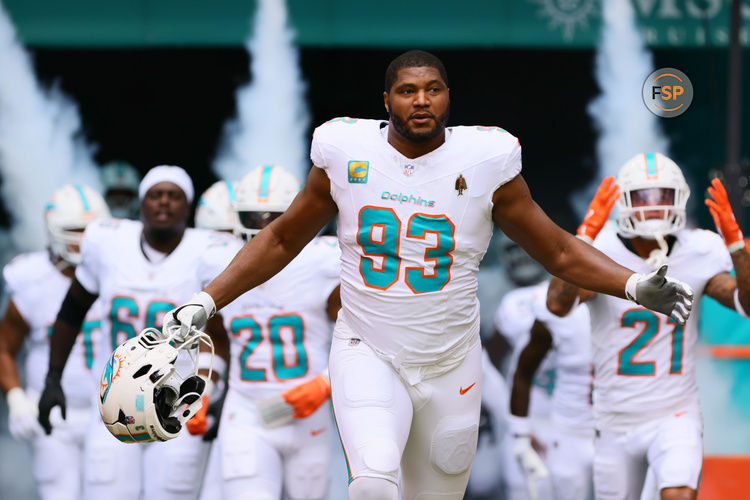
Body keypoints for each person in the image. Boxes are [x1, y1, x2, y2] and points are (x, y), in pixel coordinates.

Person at [163, 51, 693, 499]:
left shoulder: (487, 160)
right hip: (369, 348)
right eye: (408, 91)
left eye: (433, 90)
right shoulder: (345, 151)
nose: (422, 101)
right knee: (373, 482)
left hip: (450, 361)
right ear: (386, 101)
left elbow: (555, 248)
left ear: (448, 97)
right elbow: (280, 238)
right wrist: (206, 301)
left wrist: (630, 283)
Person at [545, 153, 750, 500]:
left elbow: (746, 303)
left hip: (675, 412)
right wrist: (584, 239)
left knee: (678, 493)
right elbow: (558, 304)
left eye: (663, 198)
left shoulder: (699, 249)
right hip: (614, 418)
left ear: (680, 199)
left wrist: (735, 244)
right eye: (643, 198)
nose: (654, 209)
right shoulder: (604, 248)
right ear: (624, 202)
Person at [37, 165, 231, 500]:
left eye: (174, 196)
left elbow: (222, 333)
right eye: (156, 195)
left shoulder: (210, 251)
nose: (164, 202)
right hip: (116, 399)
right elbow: (71, 313)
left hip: (177, 402)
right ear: (142, 204)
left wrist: (212, 388)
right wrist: (52, 377)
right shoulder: (108, 243)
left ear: (188, 207)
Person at [196, 164, 342, 500]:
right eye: (252, 218)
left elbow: (360, 338)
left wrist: (325, 383)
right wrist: (203, 386)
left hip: (307, 414)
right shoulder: (216, 262)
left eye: (273, 216)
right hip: (246, 412)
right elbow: (216, 339)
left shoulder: (323, 264)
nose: (263, 228)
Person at [0, 184, 109, 500]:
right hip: (51, 413)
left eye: (91, 230)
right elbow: (5, 345)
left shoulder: (118, 271)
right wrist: (16, 397)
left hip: (110, 414)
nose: (82, 239)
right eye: (75, 230)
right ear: (53, 230)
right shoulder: (31, 278)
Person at [509, 283, 594, 500]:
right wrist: (520, 433)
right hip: (569, 432)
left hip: (618, 430)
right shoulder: (555, 310)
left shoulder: (630, 303)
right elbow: (522, 371)